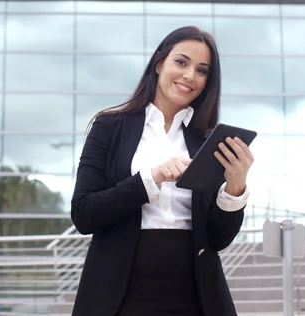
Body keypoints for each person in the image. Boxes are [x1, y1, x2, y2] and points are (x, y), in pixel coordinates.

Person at [70, 26, 254, 316]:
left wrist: (235, 187)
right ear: (159, 64)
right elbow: (84, 214)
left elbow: (217, 239)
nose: (190, 76)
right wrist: (151, 179)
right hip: (119, 295)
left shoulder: (208, 142)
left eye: (202, 70)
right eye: (181, 62)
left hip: (196, 296)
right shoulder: (109, 127)